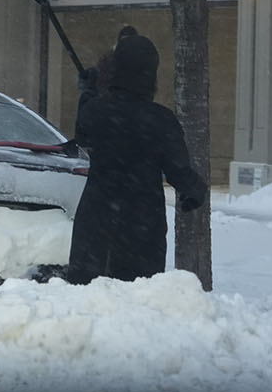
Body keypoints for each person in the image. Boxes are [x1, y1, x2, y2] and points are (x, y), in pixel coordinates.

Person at [66, 32, 207, 285]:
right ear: (151, 75)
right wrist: (193, 190)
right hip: (141, 223)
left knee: (86, 297)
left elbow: (82, 133)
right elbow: (179, 171)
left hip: (95, 218)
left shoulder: (96, 110)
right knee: (137, 296)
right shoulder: (161, 120)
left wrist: (89, 91)